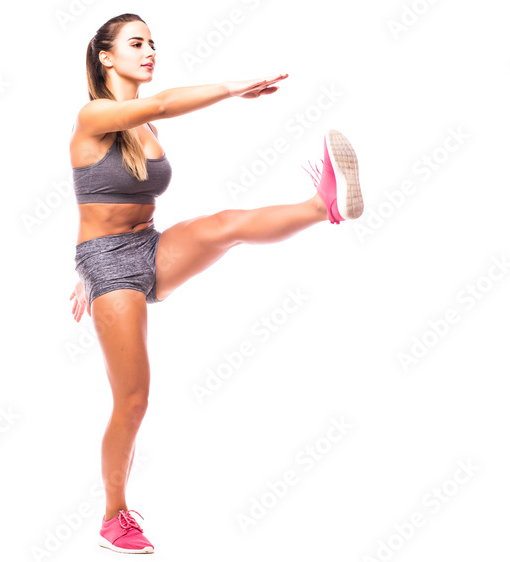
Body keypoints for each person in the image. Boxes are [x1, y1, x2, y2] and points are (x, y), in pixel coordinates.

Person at [67, 14, 362, 554]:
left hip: (149, 247)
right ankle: (116, 515)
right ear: (107, 56)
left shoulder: (146, 128)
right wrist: (230, 88)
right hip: (109, 265)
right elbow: (156, 107)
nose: (150, 51)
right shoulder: (96, 114)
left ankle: (324, 206)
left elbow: (115, 180)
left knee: (225, 225)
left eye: (153, 43)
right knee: (132, 401)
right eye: (137, 44)